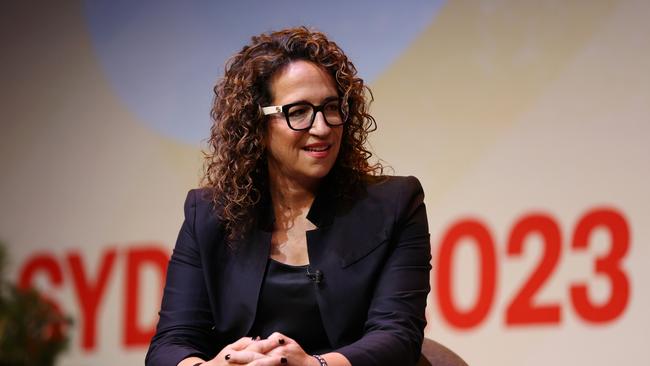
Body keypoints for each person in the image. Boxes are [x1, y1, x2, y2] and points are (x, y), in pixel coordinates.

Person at [146, 27, 431, 366]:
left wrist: (314, 365)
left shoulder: (395, 204)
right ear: (257, 125)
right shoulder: (207, 215)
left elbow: (398, 337)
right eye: (298, 112)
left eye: (331, 107)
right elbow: (170, 344)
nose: (322, 127)